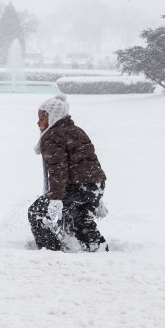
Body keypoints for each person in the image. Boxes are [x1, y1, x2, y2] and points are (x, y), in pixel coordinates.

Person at [28, 94, 108, 252]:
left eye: (42, 118)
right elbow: (89, 165)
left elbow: (58, 169)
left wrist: (56, 199)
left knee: (37, 212)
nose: (38, 122)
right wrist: (95, 196)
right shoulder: (77, 131)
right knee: (81, 220)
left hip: (76, 187)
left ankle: (50, 252)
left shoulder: (52, 136)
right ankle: (97, 249)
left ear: (53, 117)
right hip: (94, 185)